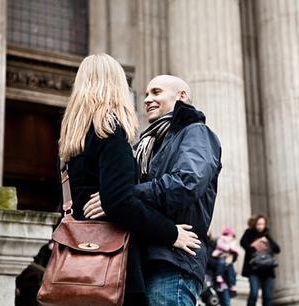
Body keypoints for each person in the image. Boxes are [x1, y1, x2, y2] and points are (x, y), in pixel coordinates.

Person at [58, 54, 201, 306]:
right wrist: (171, 233)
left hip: (77, 266)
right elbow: (119, 201)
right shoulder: (110, 130)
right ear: (116, 85)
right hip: (111, 264)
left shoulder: (70, 143)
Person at [84, 74, 222, 306]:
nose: (147, 99)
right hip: (141, 259)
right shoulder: (146, 143)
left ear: (182, 96)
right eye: (146, 94)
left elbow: (187, 183)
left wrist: (123, 195)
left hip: (174, 262)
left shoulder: (196, 132)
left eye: (156, 92)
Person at [240, 214, 280, 306]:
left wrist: (267, 243)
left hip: (267, 269)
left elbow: (277, 249)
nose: (261, 226)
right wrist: (254, 246)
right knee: (254, 293)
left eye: (262, 224)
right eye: (259, 224)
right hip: (253, 269)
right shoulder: (249, 232)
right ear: (255, 224)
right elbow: (243, 243)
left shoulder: (267, 234)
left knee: (267, 297)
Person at [212, 226, 238, 294]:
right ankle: (219, 275)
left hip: (229, 258)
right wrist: (228, 248)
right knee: (221, 263)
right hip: (221, 255)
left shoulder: (233, 240)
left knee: (231, 271)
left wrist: (231, 253)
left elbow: (235, 249)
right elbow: (220, 246)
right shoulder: (221, 239)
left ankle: (232, 284)